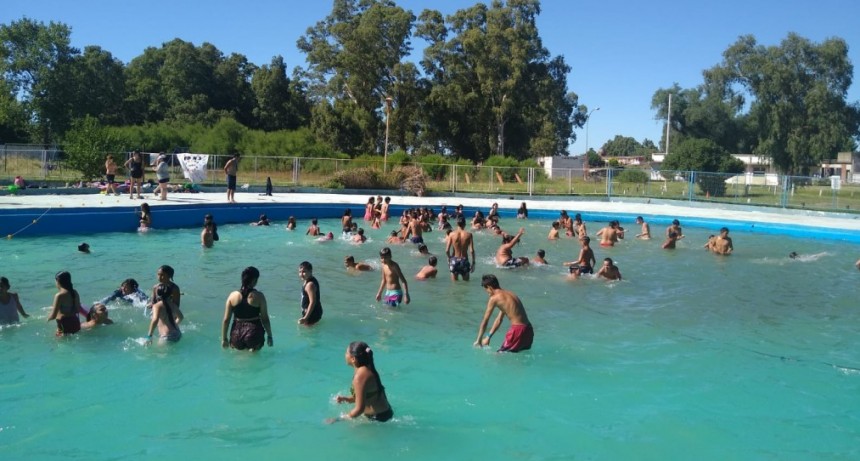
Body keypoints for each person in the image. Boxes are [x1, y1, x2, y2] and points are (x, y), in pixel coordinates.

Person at [327, 341, 394, 423]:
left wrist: (338, 419)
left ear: (353, 359)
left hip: (378, 419)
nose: (344, 355)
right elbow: (364, 396)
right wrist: (347, 399)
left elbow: (359, 409)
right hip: (383, 413)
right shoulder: (366, 368)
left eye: (346, 353)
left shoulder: (360, 376)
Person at [473, 274, 533, 353]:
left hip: (517, 331)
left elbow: (485, 321)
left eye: (486, 290)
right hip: (528, 330)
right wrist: (488, 337)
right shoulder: (510, 294)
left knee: (497, 357)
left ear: (490, 287)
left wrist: (479, 340)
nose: (487, 293)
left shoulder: (494, 298)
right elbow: (499, 320)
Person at [222, 266, 272, 351]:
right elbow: (265, 319)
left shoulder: (232, 296)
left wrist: (224, 338)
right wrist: (269, 335)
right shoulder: (259, 296)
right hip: (253, 333)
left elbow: (226, 320)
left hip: (236, 334)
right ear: (254, 280)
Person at [145, 265, 183, 344]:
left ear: (169, 276)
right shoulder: (155, 287)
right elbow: (154, 301)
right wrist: (151, 305)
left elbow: (177, 305)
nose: (159, 277)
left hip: (167, 320)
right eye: (158, 274)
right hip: (173, 329)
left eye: (162, 275)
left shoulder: (174, 288)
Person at [48, 271, 82, 336]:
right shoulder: (75, 292)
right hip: (75, 323)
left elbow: (53, 316)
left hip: (64, 324)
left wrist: (46, 320)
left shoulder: (59, 295)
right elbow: (77, 310)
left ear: (57, 281)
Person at [445, 216, 476, 281]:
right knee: (466, 284)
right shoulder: (469, 234)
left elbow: (447, 250)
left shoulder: (451, 234)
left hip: (454, 260)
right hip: (464, 260)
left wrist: (448, 259)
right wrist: (473, 263)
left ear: (457, 224)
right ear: (465, 224)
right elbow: (472, 251)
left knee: (454, 284)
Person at [298, 261, 323, 325]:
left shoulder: (310, 285)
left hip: (311, 314)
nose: (301, 274)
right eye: (300, 272)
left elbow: (312, 302)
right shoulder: (308, 280)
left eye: (304, 272)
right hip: (314, 312)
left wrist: (305, 318)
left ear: (310, 271)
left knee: (307, 333)